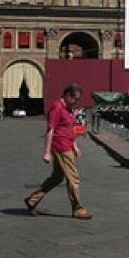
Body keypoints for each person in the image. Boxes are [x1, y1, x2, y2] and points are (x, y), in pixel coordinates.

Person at [24, 83, 92, 220]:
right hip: (61, 147)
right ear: (67, 95)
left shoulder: (68, 109)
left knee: (57, 177)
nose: (76, 102)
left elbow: (70, 129)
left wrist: (75, 146)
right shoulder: (57, 108)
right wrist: (47, 152)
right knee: (73, 178)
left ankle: (32, 200)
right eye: (75, 99)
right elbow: (50, 130)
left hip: (67, 145)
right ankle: (77, 209)